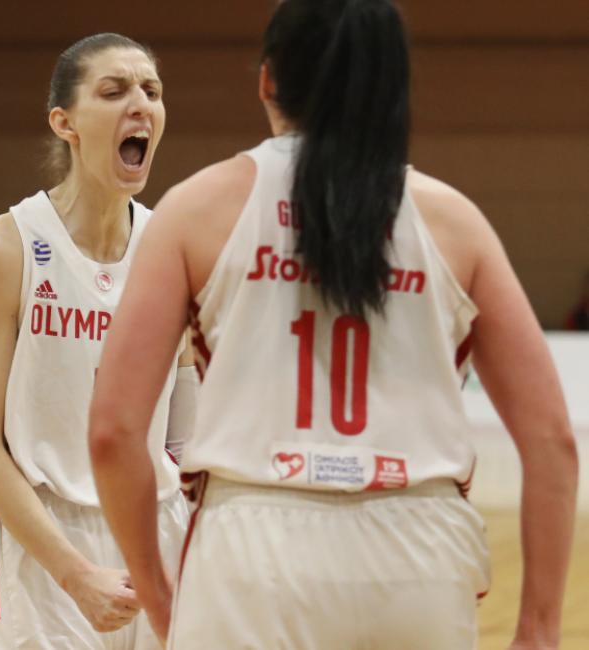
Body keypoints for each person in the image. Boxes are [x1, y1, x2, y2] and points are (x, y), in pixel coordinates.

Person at [89, 1, 577, 649]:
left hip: (252, 549)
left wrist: (154, 588)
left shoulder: (196, 208)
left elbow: (114, 431)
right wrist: (539, 628)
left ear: (268, 80)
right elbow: (551, 440)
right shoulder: (455, 222)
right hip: (419, 551)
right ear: (392, 84)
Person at [0, 33, 197, 649]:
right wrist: (76, 575)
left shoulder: (174, 247)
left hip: (159, 527)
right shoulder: (2, 248)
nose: (139, 104)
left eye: (151, 91)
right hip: (42, 544)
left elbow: (186, 436)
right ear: (65, 123)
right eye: (114, 91)